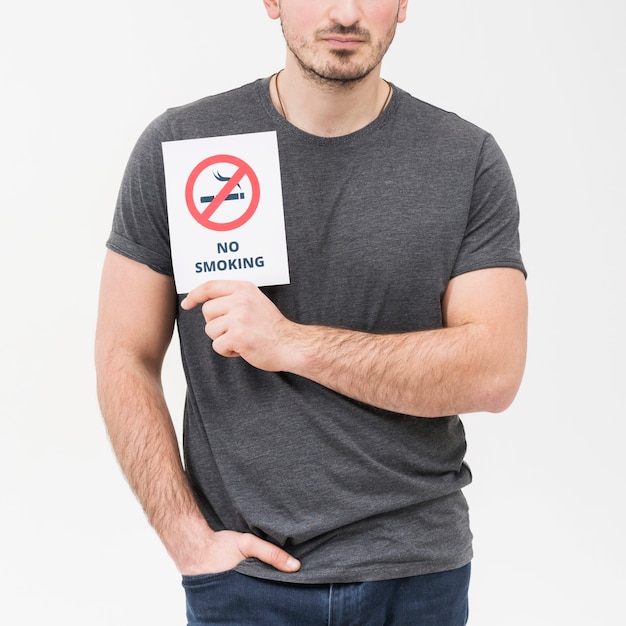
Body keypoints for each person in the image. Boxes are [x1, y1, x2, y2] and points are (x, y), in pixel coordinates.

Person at [95, 1, 528, 624]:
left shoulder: (466, 160)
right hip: (244, 581)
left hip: (416, 575)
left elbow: (493, 371)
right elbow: (123, 354)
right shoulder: (184, 145)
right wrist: (187, 540)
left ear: (404, 4)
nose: (346, 12)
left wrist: (292, 343)